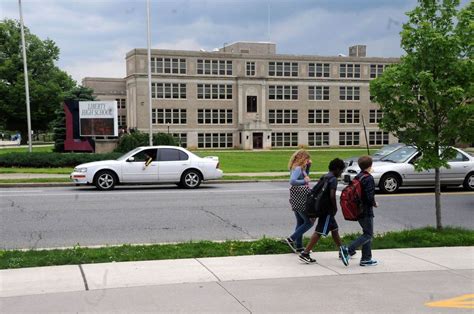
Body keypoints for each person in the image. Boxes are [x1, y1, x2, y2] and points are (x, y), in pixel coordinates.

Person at [298, 158, 346, 264]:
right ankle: (305, 253)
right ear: (337, 169)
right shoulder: (333, 179)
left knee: (335, 230)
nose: (341, 173)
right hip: (327, 210)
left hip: (321, 208)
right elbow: (332, 195)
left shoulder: (325, 176)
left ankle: (342, 250)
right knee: (319, 231)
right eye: (341, 171)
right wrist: (335, 208)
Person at [340, 156, 378, 267]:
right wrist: (374, 203)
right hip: (365, 210)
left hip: (357, 208)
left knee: (366, 233)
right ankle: (347, 249)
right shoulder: (368, 178)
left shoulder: (358, 176)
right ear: (370, 166)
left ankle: (366, 259)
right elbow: (369, 196)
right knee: (368, 234)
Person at [285, 149, 314, 253]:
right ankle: (291, 239)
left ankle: (299, 246)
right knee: (309, 222)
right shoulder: (298, 168)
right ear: (303, 159)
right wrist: (303, 181)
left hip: (296, 198)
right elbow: (292, 181)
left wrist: (308, 167)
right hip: (301, 198)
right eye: (307, 159)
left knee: (300, 222)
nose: (308, 161)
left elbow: (306, 176)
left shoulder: (299, 168)